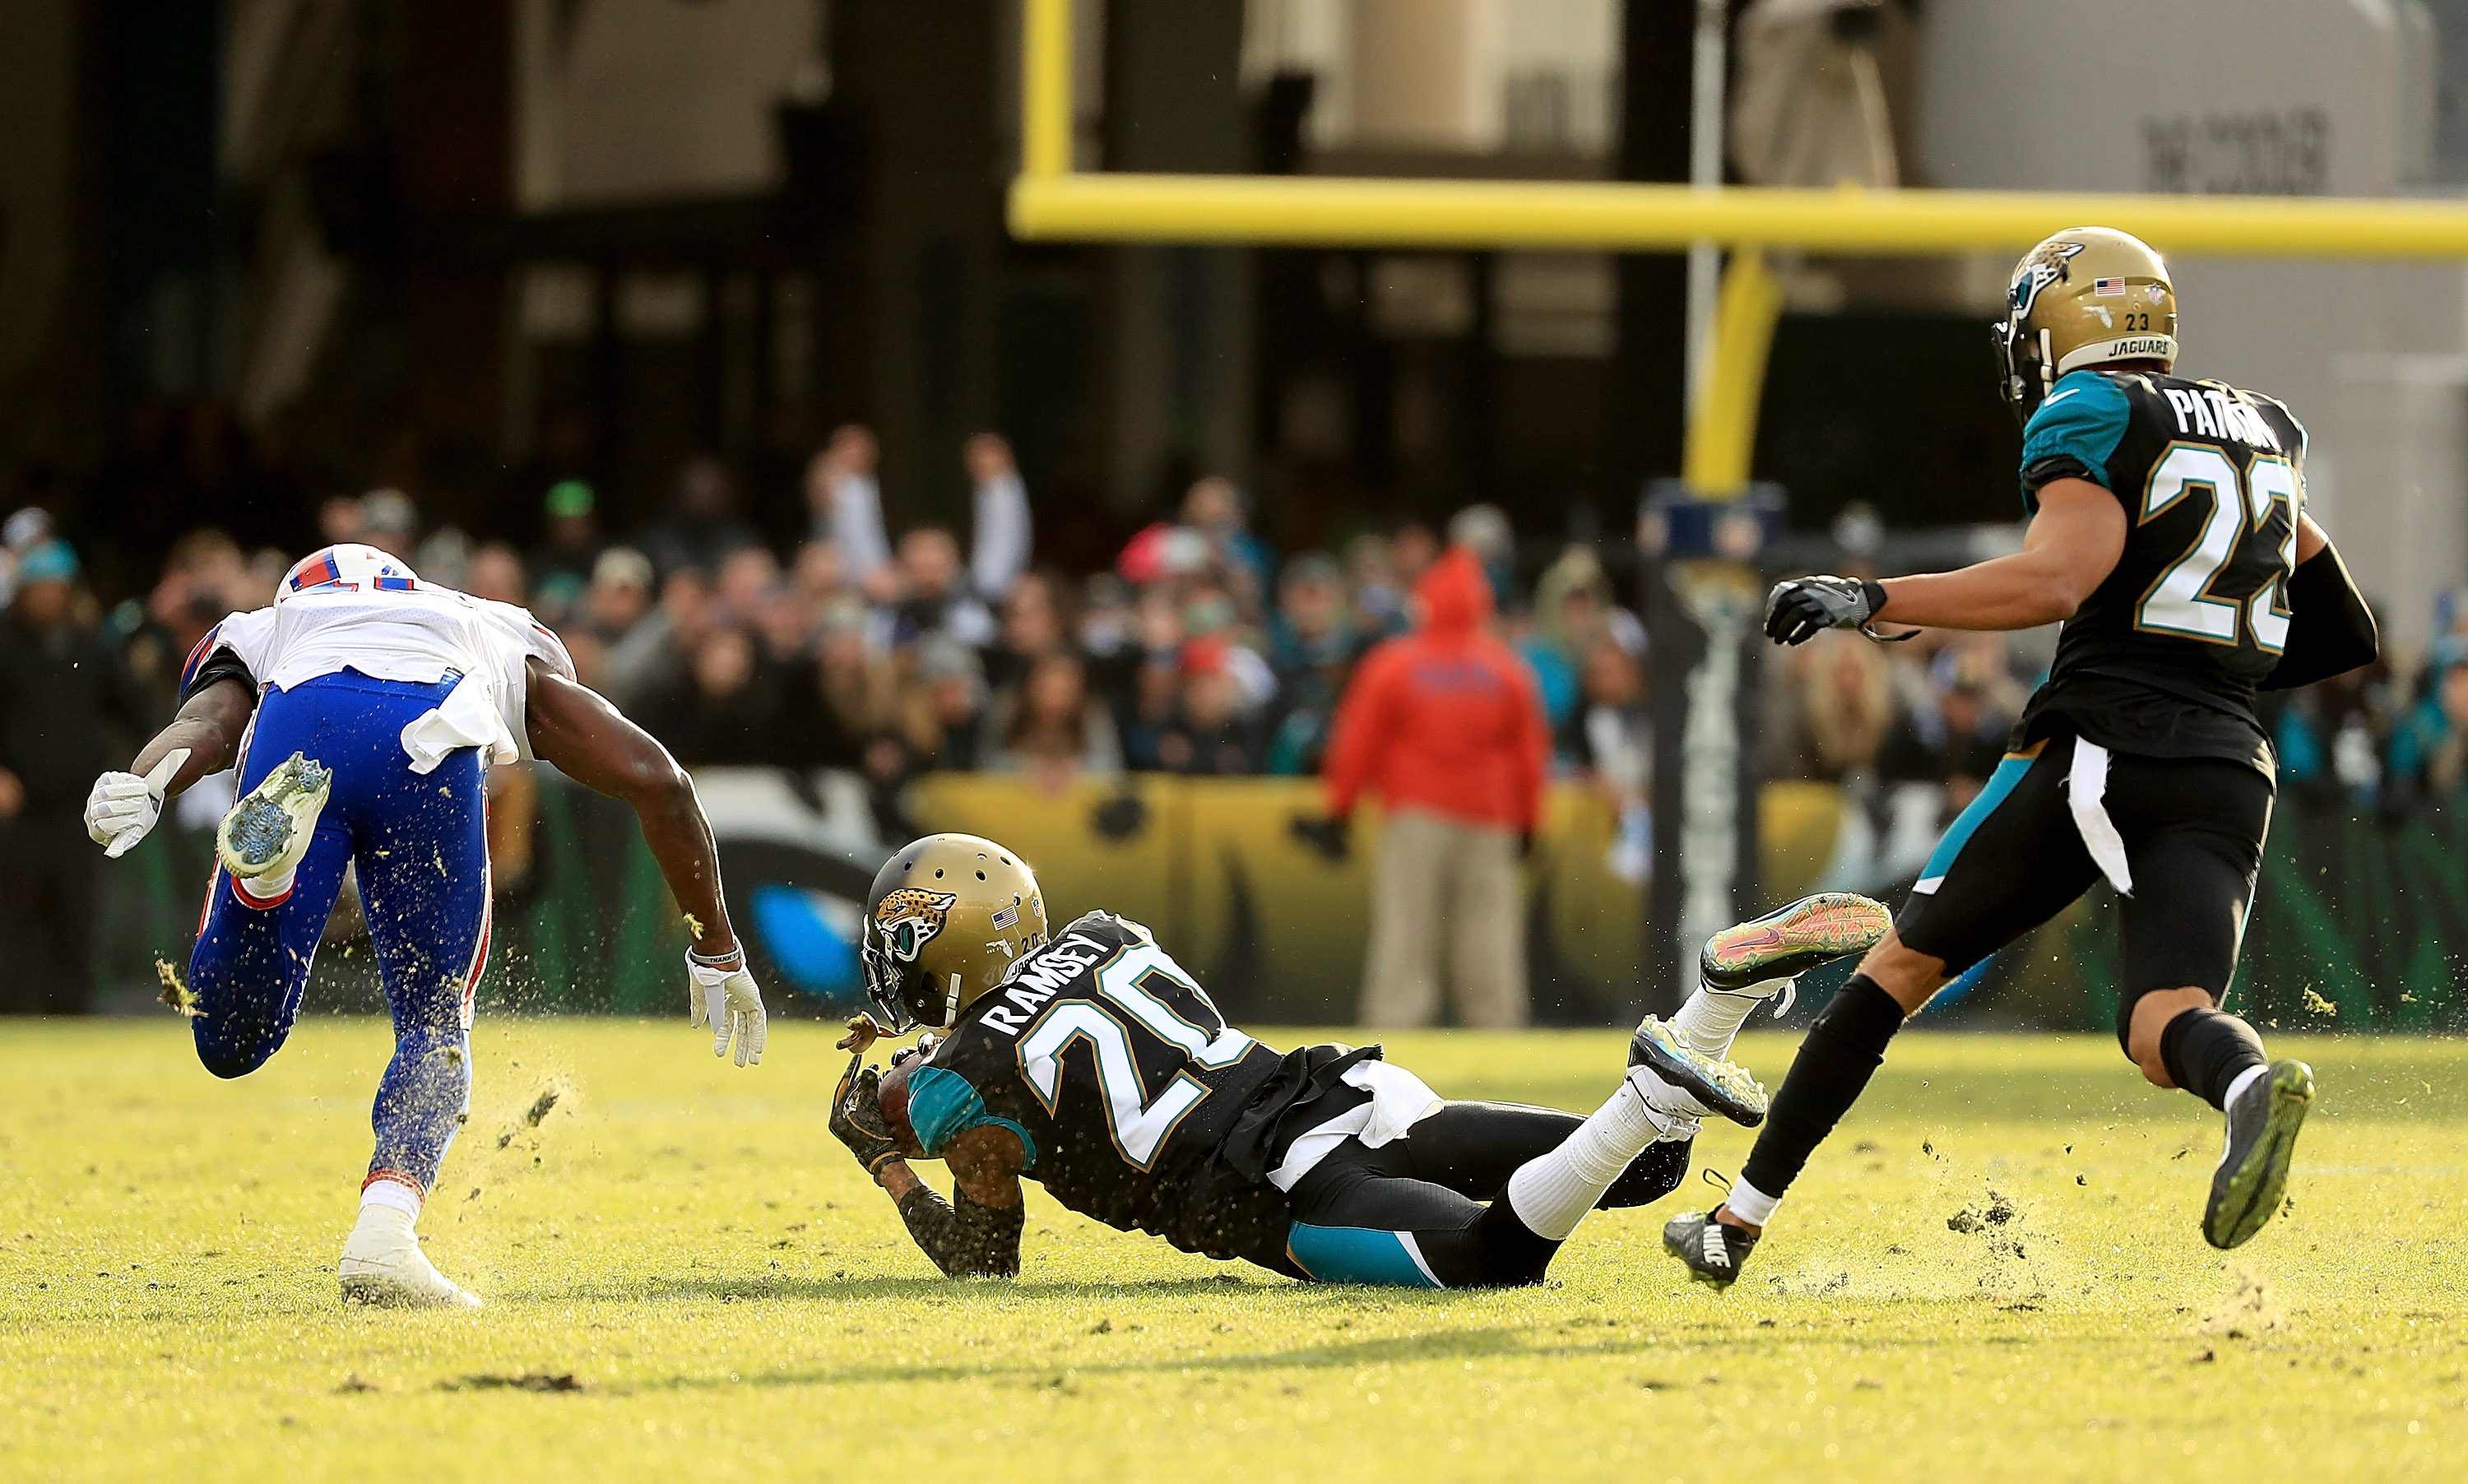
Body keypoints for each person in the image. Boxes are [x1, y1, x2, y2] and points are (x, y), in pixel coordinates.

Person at [1662, 227, 2381, 1287]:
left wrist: (1872, 600)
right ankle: (2248, 1090)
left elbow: (2057, 579)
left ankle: (1735, 1223)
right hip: (2228, 759)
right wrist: (2194, 671)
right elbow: (2343, 632)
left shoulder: (2093, 410)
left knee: (1893, 970)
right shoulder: (2263, 426)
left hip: (2101, 743)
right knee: (2161, 1026)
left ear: (2065, 319)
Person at [81, 543, 768, 1308]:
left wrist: (148, 779)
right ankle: (385, 1232)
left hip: (305, 719)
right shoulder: (482, 622)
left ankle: (266, 889)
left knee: (231, 1043)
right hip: (433, 730)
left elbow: (209, 721)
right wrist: (716, 945)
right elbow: (658, 779)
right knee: (436, 1022)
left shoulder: (273, 623)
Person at [824, 834, 1892, 1287]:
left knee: (1497, 1261)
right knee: (1651, 1168)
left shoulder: (959, 1085)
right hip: (1345, 1091)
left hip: (1278, 1184)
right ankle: (1720, 995)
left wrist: (886, 1154)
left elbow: (982, 1260)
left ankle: (1661, 1074)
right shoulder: (1110, 933)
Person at [1306, 546, 1549, 1029]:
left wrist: (1340, 810)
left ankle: (1396, 1030)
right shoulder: (1507, 670)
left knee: (1406, 933)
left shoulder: (1394, 664)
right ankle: (1496, 1030)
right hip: (1491, 819)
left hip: (1416, 816)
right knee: (1489, 938)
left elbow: (1357, 743)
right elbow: (1530, 755)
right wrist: (1528, 823)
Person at [0, 541, 155, 1013]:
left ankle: (72, 1012)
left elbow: (133, 713)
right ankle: (14, 1011)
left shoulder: (93, 645)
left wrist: (144, 775)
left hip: (79, 806)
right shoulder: (4, 643)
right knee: (15, 916)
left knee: (77, 913)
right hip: (18, 806)